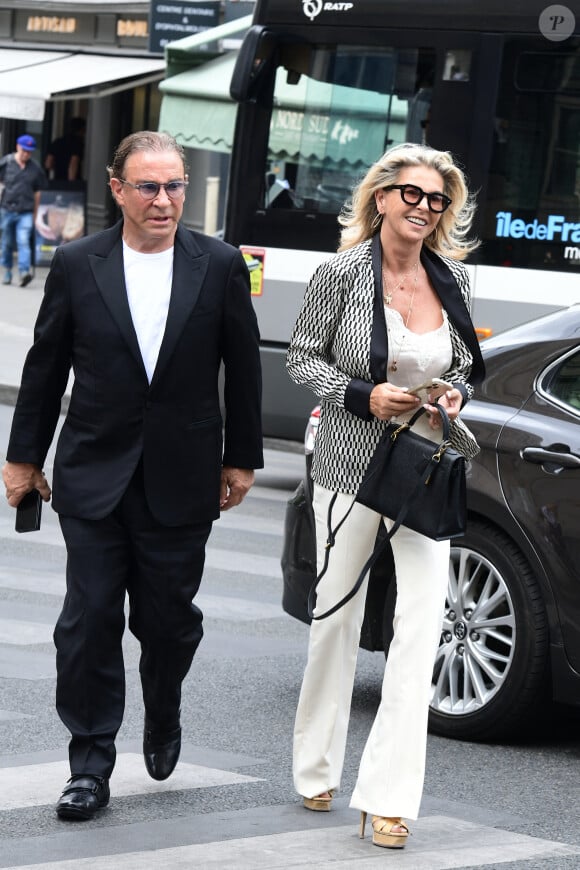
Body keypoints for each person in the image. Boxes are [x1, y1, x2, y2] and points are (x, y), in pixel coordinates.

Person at [2, 131, 263, 821]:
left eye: (175, 185)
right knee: (87, 621)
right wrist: (24, 456)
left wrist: (241, 457)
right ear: (117, 190)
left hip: (182, 476)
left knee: (167, 623)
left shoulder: (220, 263)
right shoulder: (80, 261)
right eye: (148, 186)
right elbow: (45, 363)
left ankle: (165, 703)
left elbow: (243, 365)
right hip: (93, 474)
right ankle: (89, 762)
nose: (164, 200)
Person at [287, 143, 485, 849]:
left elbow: (460, 358)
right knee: (335, 620)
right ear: (382, 197)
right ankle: (315, 766)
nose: (423, 210)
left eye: (436, 200)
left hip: (424, 465)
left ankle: (389, 797)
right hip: (349, 463)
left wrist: (455, 389)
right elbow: (302, 356)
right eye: (412, 195)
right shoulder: (340, 273)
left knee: (421, 626)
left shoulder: (453, 276)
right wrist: (362, 394)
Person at [0, 133, 46, 286]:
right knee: (6, 243)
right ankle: (7, 270)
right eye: (24, 150)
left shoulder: (35, 168)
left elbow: (37, 192)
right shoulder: (6, 163)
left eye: (29, 151)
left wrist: (35, 213)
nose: (26, 154)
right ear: (18, 147)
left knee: (23, 241)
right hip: (7, 209)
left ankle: (24, 272)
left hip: (25, 211)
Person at [44, 117, 86, 182]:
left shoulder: (57, 142)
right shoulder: (77, 143)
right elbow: (73, 163)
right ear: (82, 130)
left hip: (57, 180)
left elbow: (48, 164)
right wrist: (71, 184)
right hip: (70, 183)